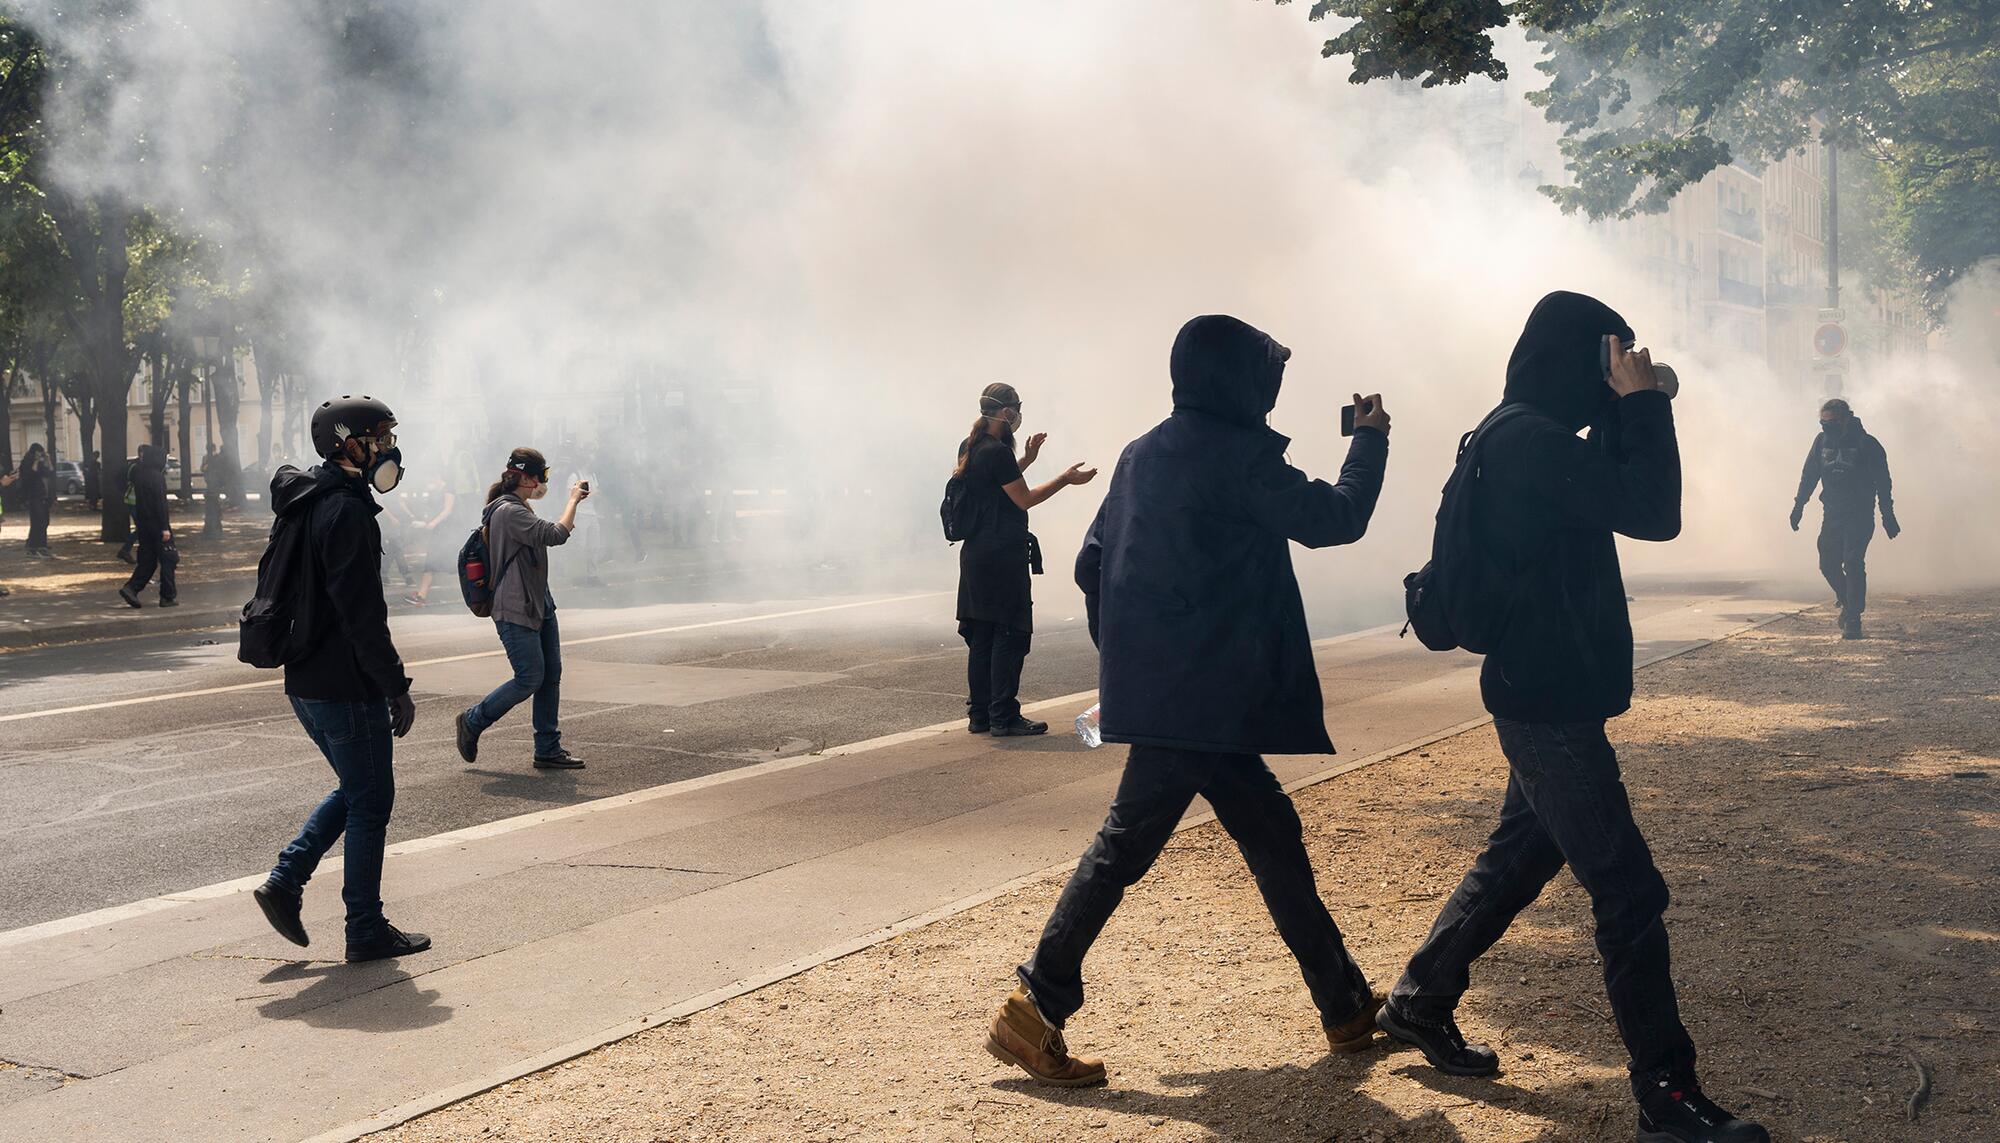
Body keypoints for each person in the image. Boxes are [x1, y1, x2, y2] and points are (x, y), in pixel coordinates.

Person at [1379, 293, 1767, 1143]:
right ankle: (1666, 1094)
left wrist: (1641, 400)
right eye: (1608, 357)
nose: (1616, 372)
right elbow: (1654, 512)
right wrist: (1644, 402)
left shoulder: (1515, 430)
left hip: (1542, 690)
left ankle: (1418, 998)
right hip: (1544, 704)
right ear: (1577, 362)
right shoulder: (1534, 443)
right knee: (1628, 892)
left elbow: (1619, 487)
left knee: (1517, 859)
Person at [986, 315, 1391, 1086]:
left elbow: (1090, 562)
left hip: (1184, 694)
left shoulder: (1141, 454)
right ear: (1237, 381)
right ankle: (1032, 1007)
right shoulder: (1239, 456)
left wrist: (1134, 664)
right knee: (1126, 846)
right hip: (1211, 696)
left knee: (1268, 833)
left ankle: (1343, 1004)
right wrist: (1369, 438)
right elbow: (1338, 520)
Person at [251, 394, 429, 963]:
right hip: (344, 683)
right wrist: (394, 684)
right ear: (347, 444)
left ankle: (285, 882)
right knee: (372, 799)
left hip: (306, 680)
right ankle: (364, 927)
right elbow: (361, 614)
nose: (390, 449)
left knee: (358, 788)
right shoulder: (346, 511)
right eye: (379, 438)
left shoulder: (309, 497)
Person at [952, 382, 1096, 737]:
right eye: (1015, 409)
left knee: (983, 636)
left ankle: (980, 716)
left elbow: (996, 484)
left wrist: (1027, 460)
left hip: (975, 557)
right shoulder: (997, 452)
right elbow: (1024, 499)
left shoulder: (972, 446)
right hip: (1001, 557)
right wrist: (1064, 479)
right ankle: (1003, 715)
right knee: (1008, 635)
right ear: (1006, 412)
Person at [454, 447, 590, 770]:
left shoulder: (518, 506)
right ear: (527, 479)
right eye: (542, 477)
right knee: (529, 677)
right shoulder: (508, 512)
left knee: (550, 675)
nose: (544, 483)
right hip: (515, 608)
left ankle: (547, 747)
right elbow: (556, 534)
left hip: (539, 603)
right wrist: (573, 500)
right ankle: (472, 721)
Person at [1790, 397, 1897, 640]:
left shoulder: (1867, 444)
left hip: (1860, 515)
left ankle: (1853, 619)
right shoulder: (1821, 442)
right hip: (1833, 515)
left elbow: (1883, 482)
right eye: (1823, 422)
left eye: (1833, 422)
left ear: (1846, 418)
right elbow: (1809, 475)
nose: (1828, 427)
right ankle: (1848, 601)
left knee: (1852, 561)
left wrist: (1887, 514)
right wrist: (1799, 506)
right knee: (1827, 564)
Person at [117, 445, 178, 608]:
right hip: (157, 525)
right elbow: (160, 504)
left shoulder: (140, 475)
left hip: (144, 524)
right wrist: (165, 527)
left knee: (148, 561)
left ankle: (131, 588)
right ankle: (167, 596)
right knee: (169, 558)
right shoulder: (156, 477)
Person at [401, 473, 460, 605]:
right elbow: (434, 512)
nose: (428, 483)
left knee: (457, 563)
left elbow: (447, 510)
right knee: (431, 563)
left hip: (449, 531)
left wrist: (432, 523)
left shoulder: (448, 489)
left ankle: (478, 591)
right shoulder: (435, 492)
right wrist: (425, 523)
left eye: (430, 479)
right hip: (439, 532)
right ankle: (421, 596)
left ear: (438, 477)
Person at [17, 443, 54, 556]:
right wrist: (36, 461)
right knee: (38, 520)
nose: (40, 455)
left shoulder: (41, 462)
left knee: (44, 520)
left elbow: (50, 472)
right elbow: (30, 475)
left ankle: (41, 544)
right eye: (38, 452)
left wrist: (48, 460)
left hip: (43, 495)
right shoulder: (27, 462)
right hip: (33, 495)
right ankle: (34, 545)